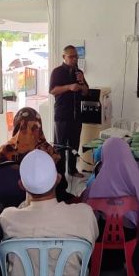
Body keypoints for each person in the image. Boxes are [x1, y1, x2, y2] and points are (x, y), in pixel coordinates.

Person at [0, 150, 98, 276]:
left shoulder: (8, 218)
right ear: (58, 179)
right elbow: (91, 249)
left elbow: (25, 209)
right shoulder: (84, 214)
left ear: (21, 185)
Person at [85, 137, 139, 226]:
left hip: (100, 231)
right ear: (127, 153)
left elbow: (85, 207)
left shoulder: (96, 182)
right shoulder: (138, 177)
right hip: (130, 232)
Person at [49, 45, 89, 178]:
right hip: (62, 115)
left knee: (74, 144)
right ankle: (59, 173)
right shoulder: (57, 72)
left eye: (76, 56)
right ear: (64, 57)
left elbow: (86, 92)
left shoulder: (78, 72)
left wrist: (82, 82)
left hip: (77, 115)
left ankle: (72, 170)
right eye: (71, 56)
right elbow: (53, 90)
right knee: (60, 146)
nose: (74, 59)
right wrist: (69, 87)